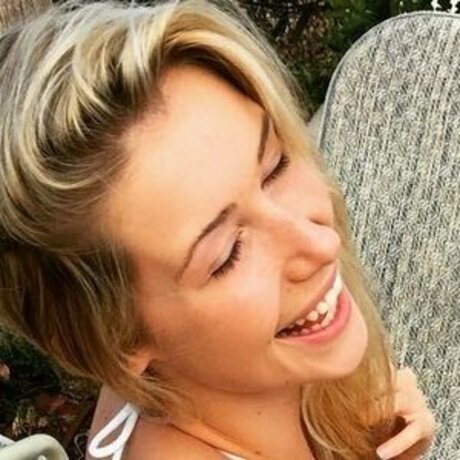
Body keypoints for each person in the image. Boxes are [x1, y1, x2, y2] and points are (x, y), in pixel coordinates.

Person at [0, 1, 435, 459]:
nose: (322, 244)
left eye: (276, 165)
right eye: (228, 254)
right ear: (117, 340)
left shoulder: (193, 372)